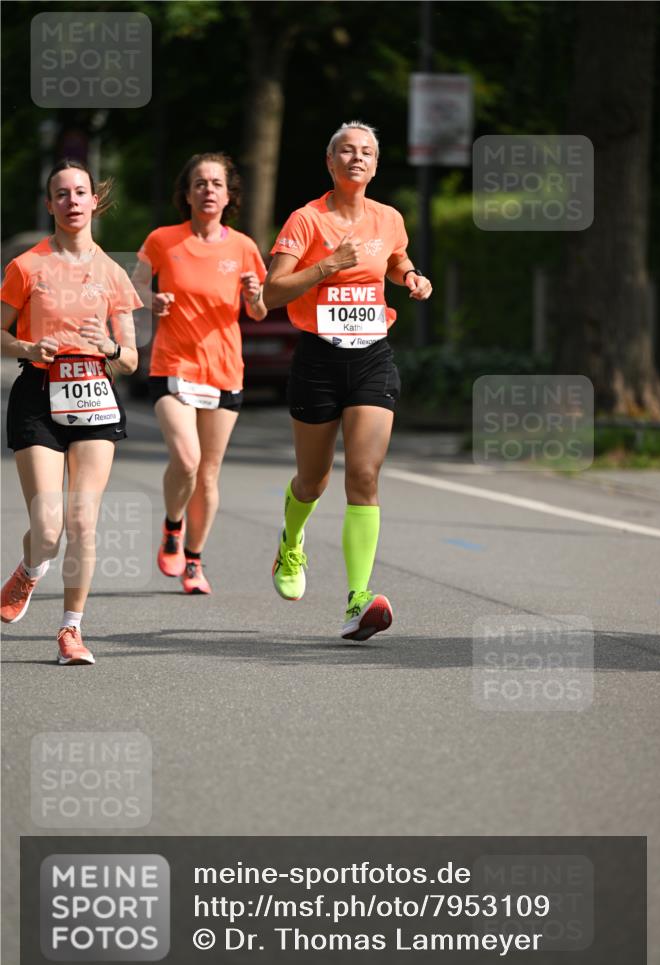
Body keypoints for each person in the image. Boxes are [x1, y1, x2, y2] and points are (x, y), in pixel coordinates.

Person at [264, 121, 432, 641]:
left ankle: (358, 599)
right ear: (330, 164)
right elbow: (271, 294)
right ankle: (291, 542)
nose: (356, 158)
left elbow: (395, 256)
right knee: (312, 480)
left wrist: (409, 277)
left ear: (375, 165)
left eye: (366, 152)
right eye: (346, 151)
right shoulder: (306, 220)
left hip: (372, 358)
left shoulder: (389, 219)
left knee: (363, 474)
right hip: (318, 358)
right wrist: (327, 266)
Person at [1, 159, 141, 664]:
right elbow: (0, 334)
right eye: (62, 194)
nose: (73, 201)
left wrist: (107, 346)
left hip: (95, 395)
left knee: (82, 522)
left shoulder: (112, 273)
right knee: (50, 526)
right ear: (50, 204)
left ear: (94, 201)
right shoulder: (27, 266)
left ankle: (70, 631)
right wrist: (24, 347)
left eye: (81, 192)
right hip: (39, 393)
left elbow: (130, 358)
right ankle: (29, 569)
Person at [133, 152, 267, 595]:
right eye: (200, 184)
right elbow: (133, 290)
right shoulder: (162, 240)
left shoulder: (244, 247)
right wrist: (150, 301)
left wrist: (254, 294)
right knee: (187, 460)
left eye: (216, 184)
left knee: (208, 473)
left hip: (225, 371)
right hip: (173, 366)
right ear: (187, 194)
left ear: (229, 196)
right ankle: (173, 526)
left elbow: (260, 310)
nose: (208, 190)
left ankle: (193, 561)